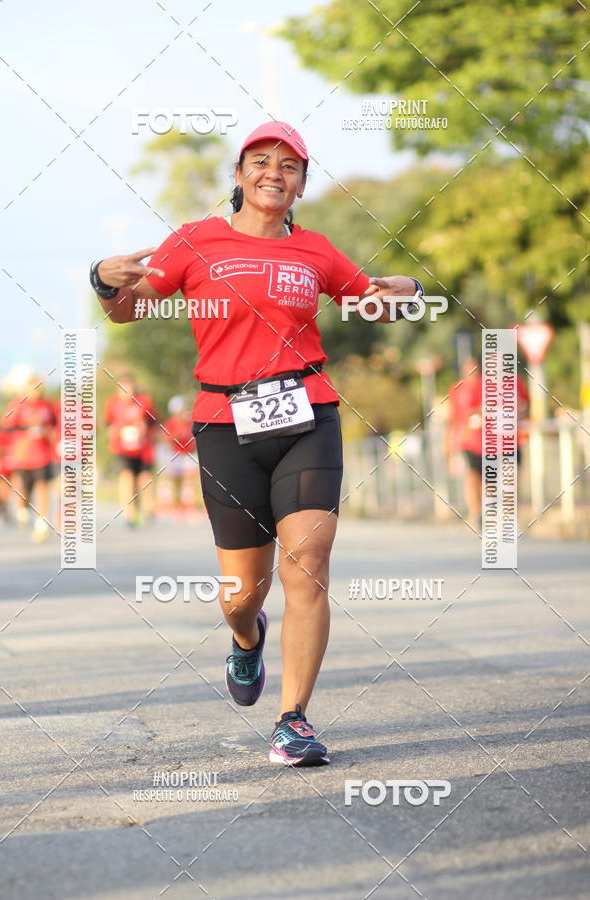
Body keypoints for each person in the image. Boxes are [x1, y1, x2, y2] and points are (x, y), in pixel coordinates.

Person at [91, 120, 421, 766]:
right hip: (225, 425)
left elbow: (375, 300)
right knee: (243, 592)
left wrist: (404, 295)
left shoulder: (318, 252)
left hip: (308, 415)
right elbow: (129, 311)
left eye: (290, 165)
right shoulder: (195, 242)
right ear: (240, 175)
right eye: (262, 161)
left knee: (310, 562)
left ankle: (292, 720)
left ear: (301, 183)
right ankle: (247, 639)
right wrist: (104, 279)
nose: (275, 173)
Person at [446, 356, 529, 525]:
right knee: (482, 481)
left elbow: (526, 406)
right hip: (479, 443)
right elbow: (465, 414)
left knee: (511, 478)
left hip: (509, 440)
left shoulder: (516, 382)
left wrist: (516, 412)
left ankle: (509, 517)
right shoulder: (475, 385)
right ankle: (480, 514)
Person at [0, 377, 57, 542]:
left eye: (39, 388)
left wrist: (50, 434)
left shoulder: (47, 405)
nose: (37, 391)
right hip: (23, 456)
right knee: (25, 492)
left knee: (42, 487)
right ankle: (22, 509)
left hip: (43, 456)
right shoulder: (17, 404)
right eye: (33, 388)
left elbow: (54, 425)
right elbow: (6, 425)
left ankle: (42, 523)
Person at [104, 375, 158, 527]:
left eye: (128, 388)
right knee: (126, 477)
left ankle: (148, 509)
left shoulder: (144, 401)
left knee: (144, 478)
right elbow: (107, 423)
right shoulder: (112, 404)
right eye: (122, 389)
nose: (126, 391)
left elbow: (154, 421)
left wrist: (147, 429)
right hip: (122, 449)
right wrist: (113, 431)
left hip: (143, 448)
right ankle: (130, 513)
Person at [159, 396, 200, 521]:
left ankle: (188, 508)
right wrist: (176, 436)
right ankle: (175, 508)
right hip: (175, 454)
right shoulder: (171, 422)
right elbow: (165, 437)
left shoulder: (190, 422)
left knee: (190, 481)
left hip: (188, 455)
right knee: (175, 482)